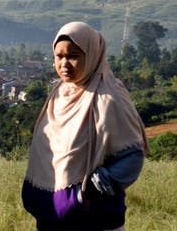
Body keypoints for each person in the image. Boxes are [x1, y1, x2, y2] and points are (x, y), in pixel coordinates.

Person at [22, 21, 149, 231]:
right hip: (51, 217)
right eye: (59, 56)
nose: (64, 63)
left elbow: (132, 157)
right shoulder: (59, 94)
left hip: (95, 221)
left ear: (91, 56)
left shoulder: (109, 98)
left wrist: (87, 192)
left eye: (73, 56)